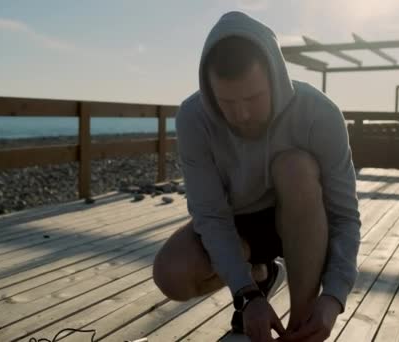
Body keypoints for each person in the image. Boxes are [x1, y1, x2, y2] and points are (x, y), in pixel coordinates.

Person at [153, 11, 361, 342]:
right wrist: (246, 294)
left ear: (276, 78)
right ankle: (259, 275)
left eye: (253, 98)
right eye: (226, 102)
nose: (241, 115)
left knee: (294, 166)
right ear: (209, 90)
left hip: (303, 215)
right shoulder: (194, 117)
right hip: (239, 224)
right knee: (171, 275)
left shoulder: (320, 114)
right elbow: (209, 215)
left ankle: (301, 323)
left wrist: (333, 297)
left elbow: (345, 216)